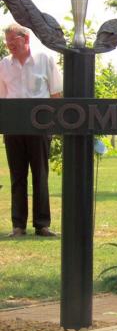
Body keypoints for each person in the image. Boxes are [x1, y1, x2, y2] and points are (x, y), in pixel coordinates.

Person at [0, 23, 62, 237]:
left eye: (13, 41)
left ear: (26, 39)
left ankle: (42, 224)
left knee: (40, 175)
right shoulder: (3, 65)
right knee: (17, 177)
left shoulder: (45, 60)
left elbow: (56, 94)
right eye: (7, 42)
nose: (9, 46)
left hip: (40, 127)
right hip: (13, 128)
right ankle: (18, 226)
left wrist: (52, 125)